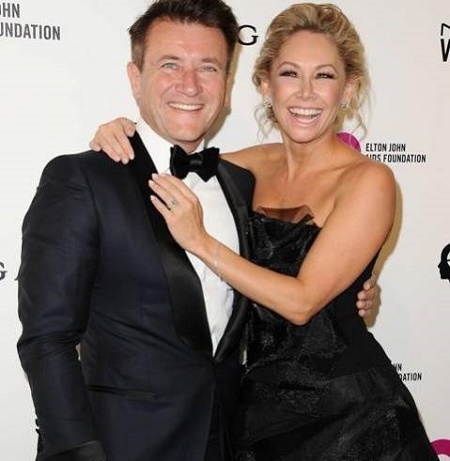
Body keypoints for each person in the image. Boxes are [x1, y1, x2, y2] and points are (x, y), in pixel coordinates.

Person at [17, 2, 376, 461]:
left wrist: (356, 288)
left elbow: (298, 271)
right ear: (135, 78)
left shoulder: (238, 181)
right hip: (121, 446)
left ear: (226, 84)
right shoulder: (84, 180)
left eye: (208, 67)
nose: (189, 85)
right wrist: (77, 452)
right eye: (170, 64)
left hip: (234, 437)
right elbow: (46, 338)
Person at [91, 3, 439, 460]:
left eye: (325, 76)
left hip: (350, 417)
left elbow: (301, 302)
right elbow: (172, 161)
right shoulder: (242, 168)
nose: (306, 93)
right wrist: (123, 131)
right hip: (256, 411)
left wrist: (201, 242)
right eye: (290, 73)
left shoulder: (368, 180)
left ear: (349, 89)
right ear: (264, 84)